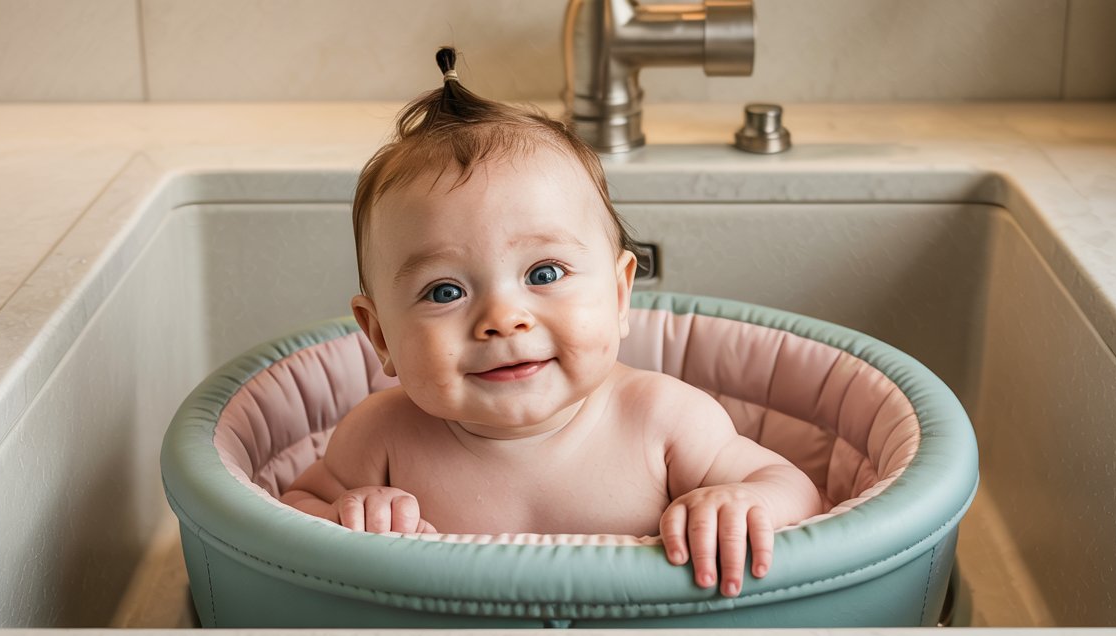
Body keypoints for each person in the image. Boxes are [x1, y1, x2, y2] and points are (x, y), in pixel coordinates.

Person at [282, 48, 822, 598]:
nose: (503, 319)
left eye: (544, 272)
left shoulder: (662, 421)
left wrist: (740, 502)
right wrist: (349, 510)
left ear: (618, 293)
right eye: (446, 291)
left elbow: (793, 489)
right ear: (379, 335)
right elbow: (288, 511)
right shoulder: (381, 436)